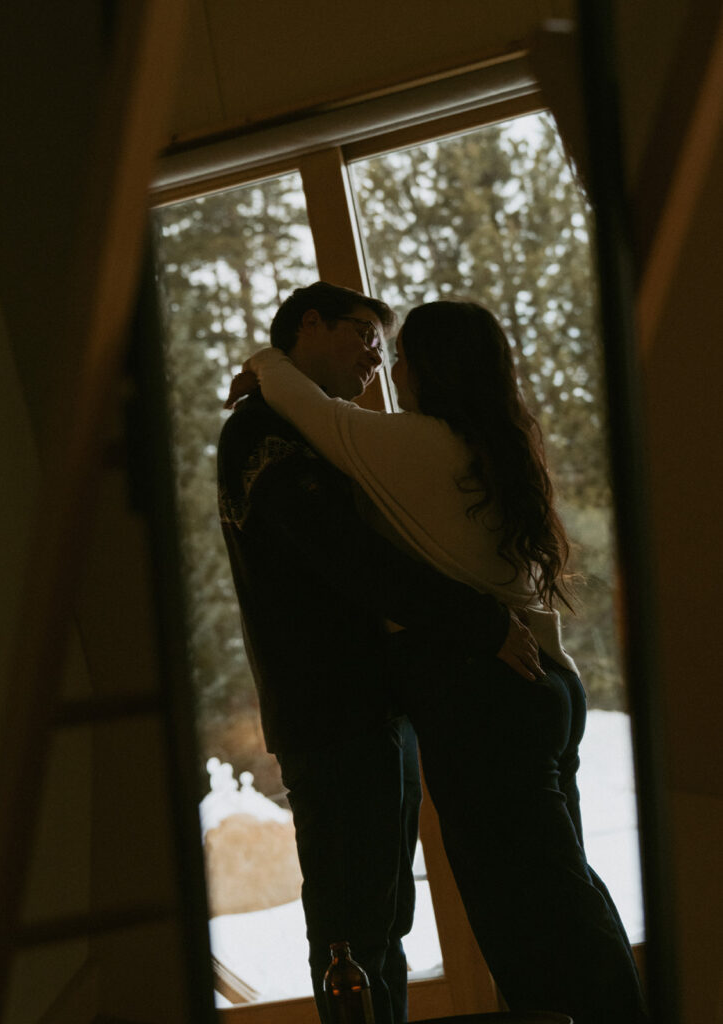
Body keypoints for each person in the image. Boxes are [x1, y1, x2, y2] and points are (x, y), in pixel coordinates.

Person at [230, 299, 649, 1024]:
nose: (381, 361)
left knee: (530, 911)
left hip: (492, 700)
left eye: (393, 350)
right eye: (363, 336)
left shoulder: (415, 445)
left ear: (430, 369)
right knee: (558, 888)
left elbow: (324, 431)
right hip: (540, 685)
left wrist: (264, 367)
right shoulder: (488, 443)